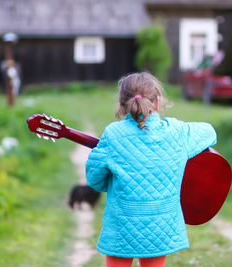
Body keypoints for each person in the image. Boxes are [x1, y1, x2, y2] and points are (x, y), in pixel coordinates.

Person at [86, 72, 217, 267]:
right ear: (157, 102)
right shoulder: (177, 132)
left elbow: (94, 179)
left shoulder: (112, 135)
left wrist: (114, 182)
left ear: (122, 106)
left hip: (122, 227)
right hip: (161, 228)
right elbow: (210, 132)